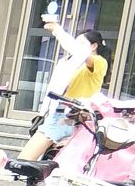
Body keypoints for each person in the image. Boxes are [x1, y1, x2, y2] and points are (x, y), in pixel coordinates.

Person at [17, 16, 106, 160]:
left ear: (94, 46)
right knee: (28, 160)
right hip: (61, 115)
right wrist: (43, 113)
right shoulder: (69, 62)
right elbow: (55, 88)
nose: (77, 46)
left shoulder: (99, 62)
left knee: (56, 165)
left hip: (79, 119)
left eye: (81, 43)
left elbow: (80, 53)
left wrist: (58, 30)